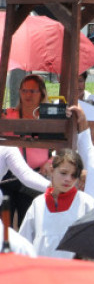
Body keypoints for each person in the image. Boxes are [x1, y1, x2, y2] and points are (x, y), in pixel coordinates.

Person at [18, 149, 94, 258]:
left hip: (74, 271)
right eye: (63, 173)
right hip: (42, 270)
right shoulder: (38, 204)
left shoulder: (87, 203)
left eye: (74, 175)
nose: (68, 179)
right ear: (52, 170)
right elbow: (24, 242)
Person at [2, 74, 52, 225]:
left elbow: (60, 147)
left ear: (42, 93)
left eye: (32, 91)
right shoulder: (8, 115)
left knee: (29, 225)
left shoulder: (49, 118)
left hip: (36, 176)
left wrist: (50, 161)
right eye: (24, 91)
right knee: (5, 227)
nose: (27, 95)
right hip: (8, 179)